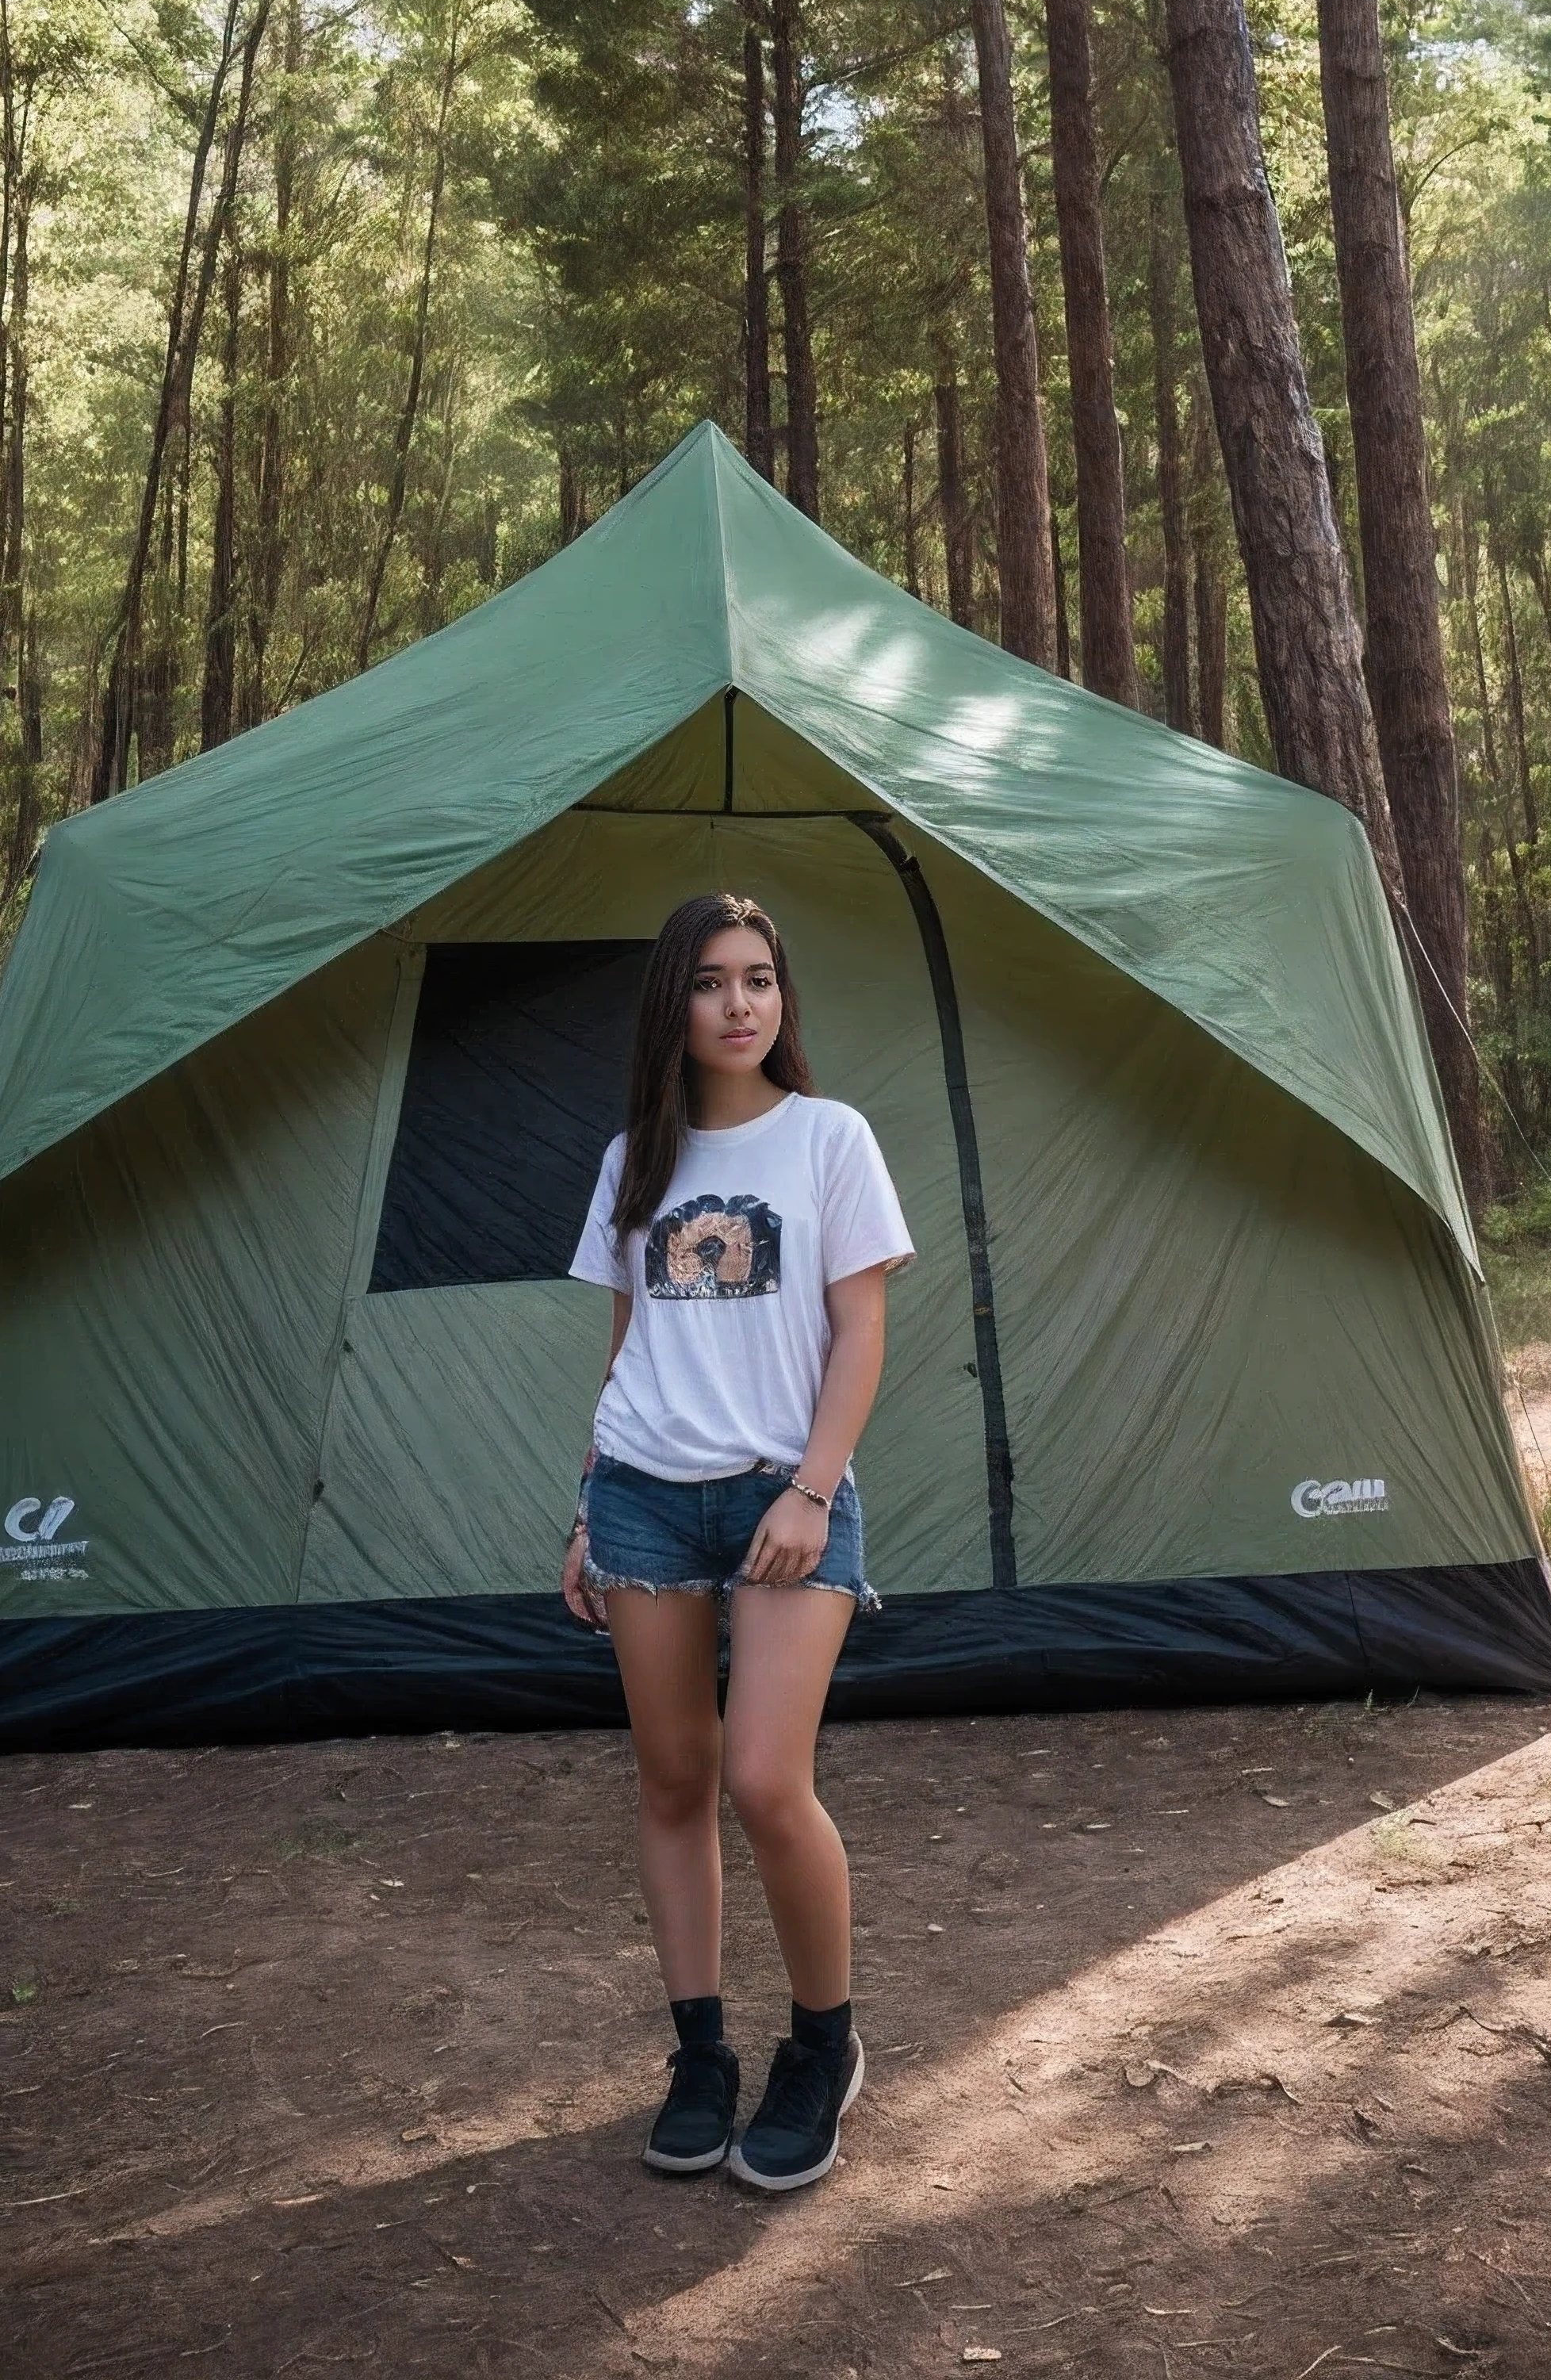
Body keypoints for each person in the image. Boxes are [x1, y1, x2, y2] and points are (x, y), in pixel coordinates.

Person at [563, 891, 913, 2192]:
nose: (741, 1003)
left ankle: (822, 2047)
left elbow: (864, 1333)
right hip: (645, 1491)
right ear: (676, 1001)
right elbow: (626, 1347)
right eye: (712, 982)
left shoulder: (831, 1139)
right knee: (671, 1781)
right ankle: (699, 2052)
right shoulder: (632, 1161)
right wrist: (589, 1501)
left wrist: (812, 1491)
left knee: (767, 1780)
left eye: (760, 978)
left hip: (789, 1497)